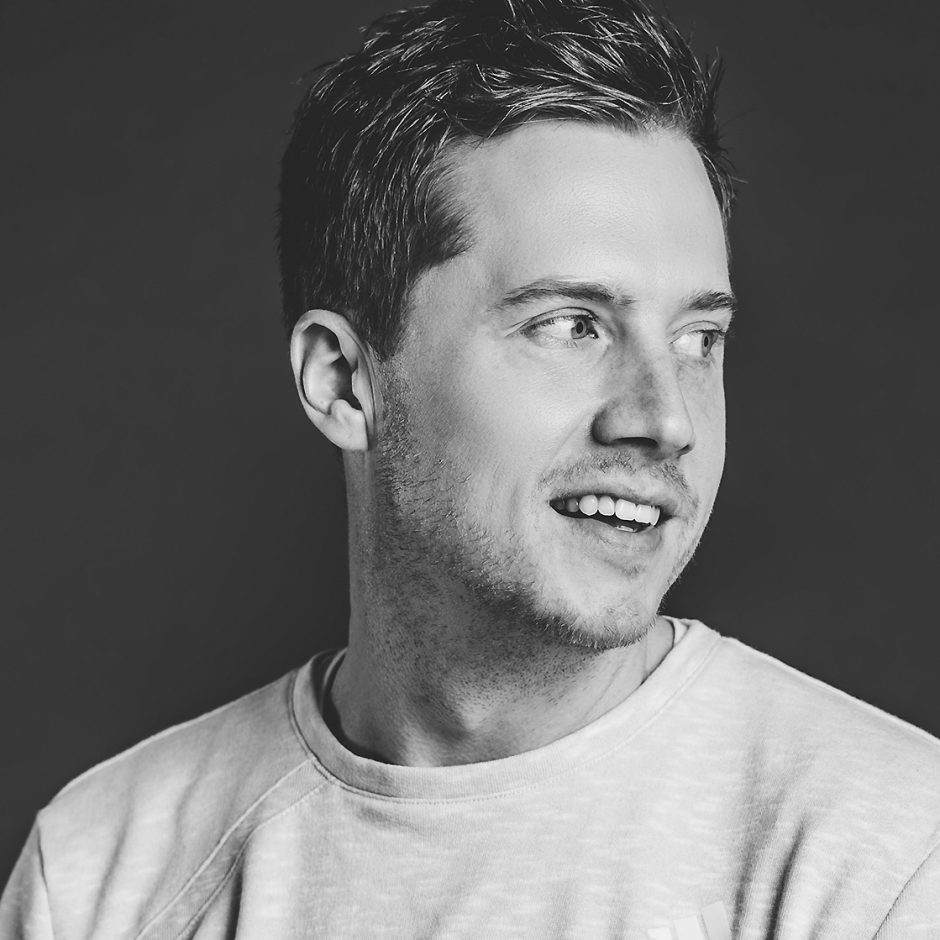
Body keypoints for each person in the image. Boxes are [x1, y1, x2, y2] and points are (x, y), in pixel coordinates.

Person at [2, 0, 939, 936]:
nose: (666, 420)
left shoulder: (890, 864)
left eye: (699, 338)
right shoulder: (98, 875)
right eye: (569, 326)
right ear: (344, 381)